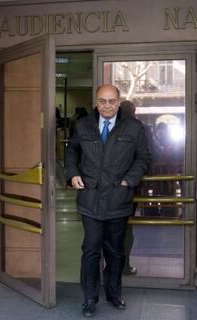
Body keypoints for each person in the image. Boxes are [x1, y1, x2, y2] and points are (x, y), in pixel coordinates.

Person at [65, 85, 151, 317]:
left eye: (111, 101)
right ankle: (90, 298)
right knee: (91, 250)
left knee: (115, 252)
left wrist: (129, 180)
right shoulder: (83, 125)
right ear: (96, 102)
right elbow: (71, 151)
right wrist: (72, 174)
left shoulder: (133, 127)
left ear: (119, 101)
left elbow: (144, 157)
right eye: (102, 101)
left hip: (118, 199)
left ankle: (114, 294)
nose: (107, 105)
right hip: (90, 199)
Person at [119, 100, 138, 275]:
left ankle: (114, 266)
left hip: (111, 187)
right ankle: (123, 265)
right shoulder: (139, 129)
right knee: (126, 227)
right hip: (130, 187)